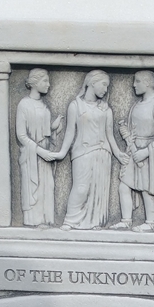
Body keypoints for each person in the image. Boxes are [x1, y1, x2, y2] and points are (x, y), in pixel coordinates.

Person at [49, 70, 129, 230]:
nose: (106, 90)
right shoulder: (76, 105)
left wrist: (118, 153)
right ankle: (70, 221)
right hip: (82, 152)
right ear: (92, 83)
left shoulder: (106, 108)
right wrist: (62, 152)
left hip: (103, 153)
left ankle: (95, 222)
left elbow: (110, 135)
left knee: (98, 192)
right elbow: (70, 132)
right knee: (81, 188)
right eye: (104, 85)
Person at [111, 70, 154, 233]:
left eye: (137, 81)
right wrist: (126, 133)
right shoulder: (136, 105)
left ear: (148, 83)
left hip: (149, 153)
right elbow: (132, 131)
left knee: (146, 188)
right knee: (124, 186)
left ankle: (150, 222)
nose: (133, 84)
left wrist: (145, 153)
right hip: (133, 150)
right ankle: (126, 220)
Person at [15, 69, 62, 227]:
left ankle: (45, 220)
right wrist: (40, 151)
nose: (49, 85)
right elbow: (21, 135)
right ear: (35, 83)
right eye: (45, 81)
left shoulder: (44, 106)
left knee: (47, 186)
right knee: (33, 187)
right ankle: (33, 221)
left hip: (45, 154)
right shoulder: (24, 104)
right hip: (32, 156)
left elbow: (45, 132)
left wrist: (53, 129)